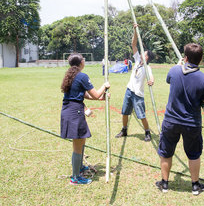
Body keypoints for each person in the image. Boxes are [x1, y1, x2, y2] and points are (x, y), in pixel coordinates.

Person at [156, 43, 204, 195]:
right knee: (194, 154)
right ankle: (195, 185)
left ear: (185, 57)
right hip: (191, 123)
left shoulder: (174, 71)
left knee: (166, 152)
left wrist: (178, 65)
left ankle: (165, 184)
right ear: (201, 59)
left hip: (171, 121)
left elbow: (169, 79)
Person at [60, 53, 110, 185]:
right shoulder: (82, 76)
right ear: (81, 62)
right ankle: (75, 178)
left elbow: (89, 96)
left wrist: (101, 96)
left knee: (81, 142)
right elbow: (95, 93)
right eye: (84, 59)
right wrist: (104, 86)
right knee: (77, 146)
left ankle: (80, 167)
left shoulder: (71, 74)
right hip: (74, 112)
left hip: (71, 110)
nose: (85, 61)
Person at [115, 23, 154, 142]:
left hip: (138, 95)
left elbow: (151, 78)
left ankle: (147, 132)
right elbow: (133, 44)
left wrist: (151, 81)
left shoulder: (148, 68)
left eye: (144, 53)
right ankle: (124, 130)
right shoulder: (137, 60)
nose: (142, 54)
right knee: (125, 112)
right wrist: (135, 31)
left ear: (147, 57)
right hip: (129, 91)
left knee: (141, 115)